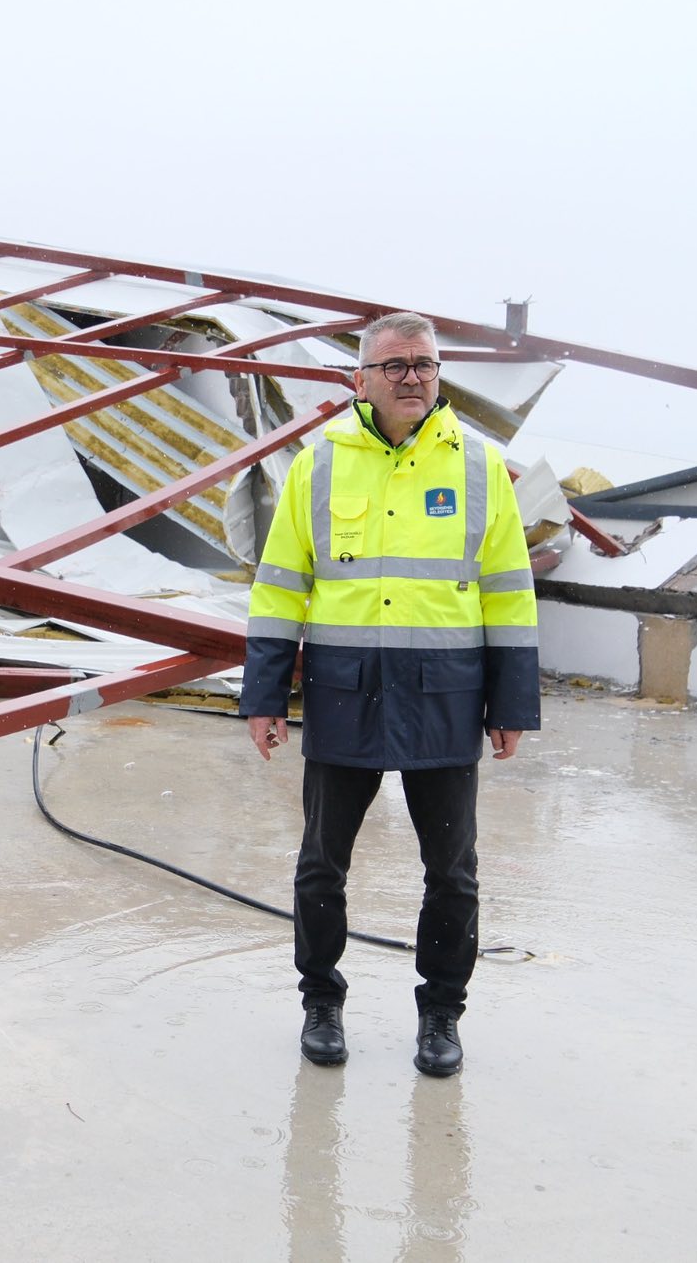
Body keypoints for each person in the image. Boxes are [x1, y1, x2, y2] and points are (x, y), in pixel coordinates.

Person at [241, 311, 539, 1075]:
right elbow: (280, 588)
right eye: (396, 365)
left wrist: (510, 704)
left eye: (425, 364)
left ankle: (441, 1016)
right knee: (321, 865)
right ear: (361, 380)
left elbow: (509, 591)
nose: (414, 377)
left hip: (446, 696)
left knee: (453, 873)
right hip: (346, 692)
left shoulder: (480, 467)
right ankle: (321, 1003)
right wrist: (265, 695)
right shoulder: (319, 464)